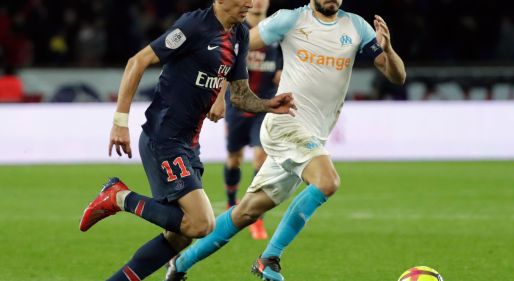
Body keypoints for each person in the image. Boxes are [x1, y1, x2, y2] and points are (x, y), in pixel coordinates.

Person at [165, 0, 405, 280]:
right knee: (327, 181)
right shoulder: (289, 20)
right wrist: (219, 93)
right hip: (285, 124)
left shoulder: (356, 27)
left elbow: (397, 76)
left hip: (311, 135)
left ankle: (180, 264)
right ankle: (270, 258)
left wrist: (387, 49)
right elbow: (235, 46)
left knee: (246, 212)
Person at [78, 0, 296, 280]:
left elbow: (240, 96)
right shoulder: (195, 25)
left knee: (179, 238)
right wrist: (120, 122)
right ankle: (119, 197)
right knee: (201, 224)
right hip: (164, 138)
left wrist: (268, 104)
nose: (250, 3)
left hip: (189, 144)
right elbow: (138, 61)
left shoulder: (240, 34)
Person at [212, 0, 282, 240]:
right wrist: (219, 99)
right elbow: (223, 67)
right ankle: (232, 204)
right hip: (237, 105)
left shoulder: (276, 32)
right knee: (234, 159)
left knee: (261, 157)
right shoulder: (236, 30)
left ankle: (255, 216)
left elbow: (282, 68)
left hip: (264, 106)